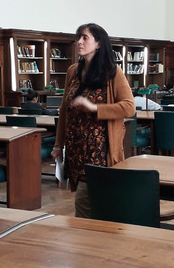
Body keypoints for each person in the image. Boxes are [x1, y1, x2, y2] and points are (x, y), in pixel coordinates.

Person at [51, 23, 135, 217]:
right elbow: (64, 110)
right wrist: (58, 145)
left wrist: (94, 108)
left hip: (100, 152)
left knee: (88, 204)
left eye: (85, 38)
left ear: (98, 43)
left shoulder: (112, 72)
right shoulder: (73, 71)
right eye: (78, 38)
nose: (79, 42)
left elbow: (129, 107)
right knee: (87, 203)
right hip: (76, 151)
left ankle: (96, 240)